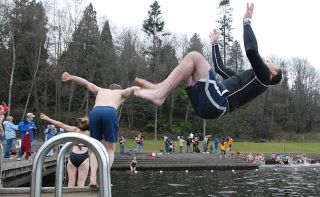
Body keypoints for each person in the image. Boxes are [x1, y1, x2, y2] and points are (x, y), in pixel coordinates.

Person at [134, 3, 282, 119]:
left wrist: (247, 22)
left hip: (217, 102)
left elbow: (251, 50)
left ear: (273, 72)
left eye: (271, 62)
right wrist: (214, 44)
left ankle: (160, 93)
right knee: (191, 67)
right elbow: (219, 68)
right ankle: (160, 89)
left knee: (194, 56)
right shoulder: (247, 80)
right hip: (207, 106)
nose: (268, 60)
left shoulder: (263, 78)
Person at [61, 72, 140, 187]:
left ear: (109, 89)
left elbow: (85, 82)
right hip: (109, 112)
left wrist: (71, 77)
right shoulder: (120, 93)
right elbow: (132, 89)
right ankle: (104, 177)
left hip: (95, 112)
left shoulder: (101, 90)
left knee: (93, 148)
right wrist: (139, 88)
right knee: (110, 149)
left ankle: (93, 178)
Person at [40, 113, 90, 187]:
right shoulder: (91, 133)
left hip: (73, 156)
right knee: (81, 184)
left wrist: (48, 118)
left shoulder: (75, 130)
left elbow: (61, 125)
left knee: (71, 182)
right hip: (84, 157)